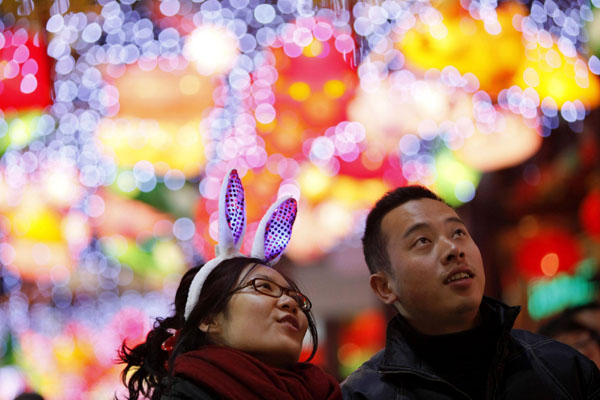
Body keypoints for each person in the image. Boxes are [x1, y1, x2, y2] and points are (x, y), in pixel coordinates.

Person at [341, 185, 600, 399]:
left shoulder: (561, 368)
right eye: (422, 241)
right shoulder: (362, 394)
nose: (453, 249)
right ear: (385, 287)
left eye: (458, 232)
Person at [118, 169, 341, 400]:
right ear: (209, 318)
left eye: (295, 298)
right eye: (263, 287)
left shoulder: (329, 392)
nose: (289, 302)